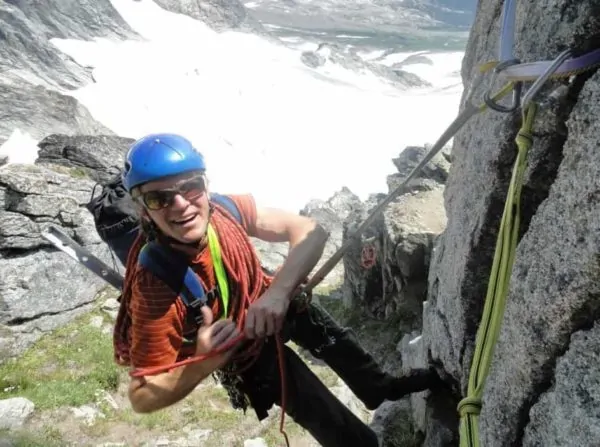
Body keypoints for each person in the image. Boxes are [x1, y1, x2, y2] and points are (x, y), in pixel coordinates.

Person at [114, 133, 443, 447]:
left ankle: (380, 388)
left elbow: (310, 231)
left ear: (205, 185)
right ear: (143, 208)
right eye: (160, 198)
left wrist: (277, 295)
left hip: (275, 302)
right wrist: (204, 362)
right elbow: (142, 396)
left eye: (191, 187)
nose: (182, 205)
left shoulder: (226, 210)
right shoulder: (156, 286)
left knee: (341, 346)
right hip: (247, 353)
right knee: (340, 428)